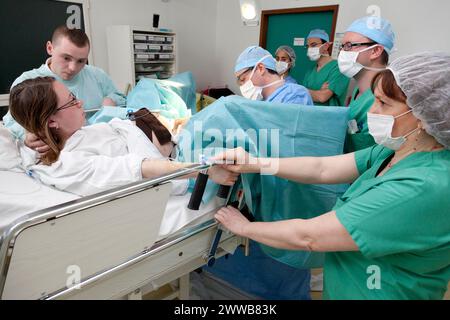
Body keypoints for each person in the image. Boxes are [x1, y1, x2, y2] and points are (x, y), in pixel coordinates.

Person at [214, 52, 450, 300]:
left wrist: (245, 227)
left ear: (425, 113)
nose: (372, 109)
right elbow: (322, 168)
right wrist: (256, 164)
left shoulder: (424, 187)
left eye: (383, 103)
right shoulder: (398, 150)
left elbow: (309, 237)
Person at [8, 77, 238, 197]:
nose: (81, 102)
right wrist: (205, 169)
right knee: (228, 109)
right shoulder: (68, 163)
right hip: (175, 150)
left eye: (74, 96)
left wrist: (32, 134)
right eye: (71, 101)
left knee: (150, 86)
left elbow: (22, 141)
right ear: (51, 122)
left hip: (148, 126)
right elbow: (139, 167)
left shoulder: (64, 134)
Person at [3, 25, 126, 151]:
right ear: (50, 48)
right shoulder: (28, 82)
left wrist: (112, 101)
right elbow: (12, 121)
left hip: (101, 143)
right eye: (66, 58)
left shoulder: (97, 75)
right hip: (61, 150)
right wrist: (26, 136)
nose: (73, 68)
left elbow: (121, 99)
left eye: (81, 61)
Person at [337, 16, 395, 153]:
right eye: (342, 46)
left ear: (375, 51)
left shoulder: (387, 99)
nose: (342, 52)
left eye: (349, 46)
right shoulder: (357, 88)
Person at [235, 46, 313, 105]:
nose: (242, 86)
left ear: (260, 68)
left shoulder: (294, 95)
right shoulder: (260, 100)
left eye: (243, 79)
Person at [303, 29, 350, 107]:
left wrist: (305, 91)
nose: (309, 49)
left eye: (313, 45)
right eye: (307, 46)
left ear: (326, 46)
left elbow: (322, 97)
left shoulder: (339, 68)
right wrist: (317, 92)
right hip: (309, 114)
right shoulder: (311, 71)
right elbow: (302, 95)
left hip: (329, 116)